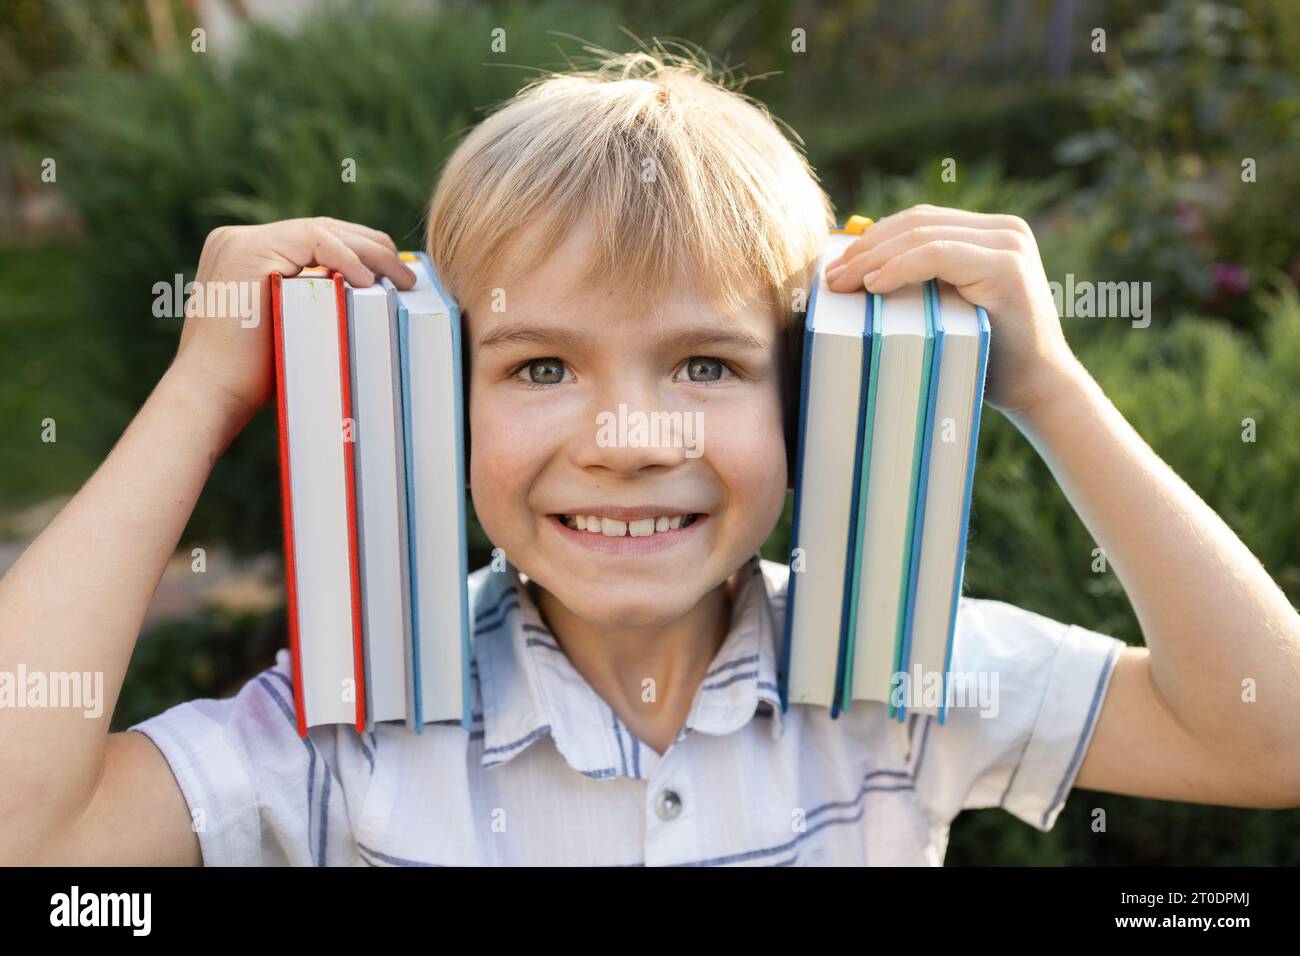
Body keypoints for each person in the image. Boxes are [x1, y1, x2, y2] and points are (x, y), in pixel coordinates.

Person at [2, 48, 1297, 867]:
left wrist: (1047, 389)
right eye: (542, 367)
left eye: (707, 364)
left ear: (815, 393)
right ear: (439, 401)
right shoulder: (347, 732)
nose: (627, 442)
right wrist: (200, 390)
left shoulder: (901, 681)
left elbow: (1269, 739)